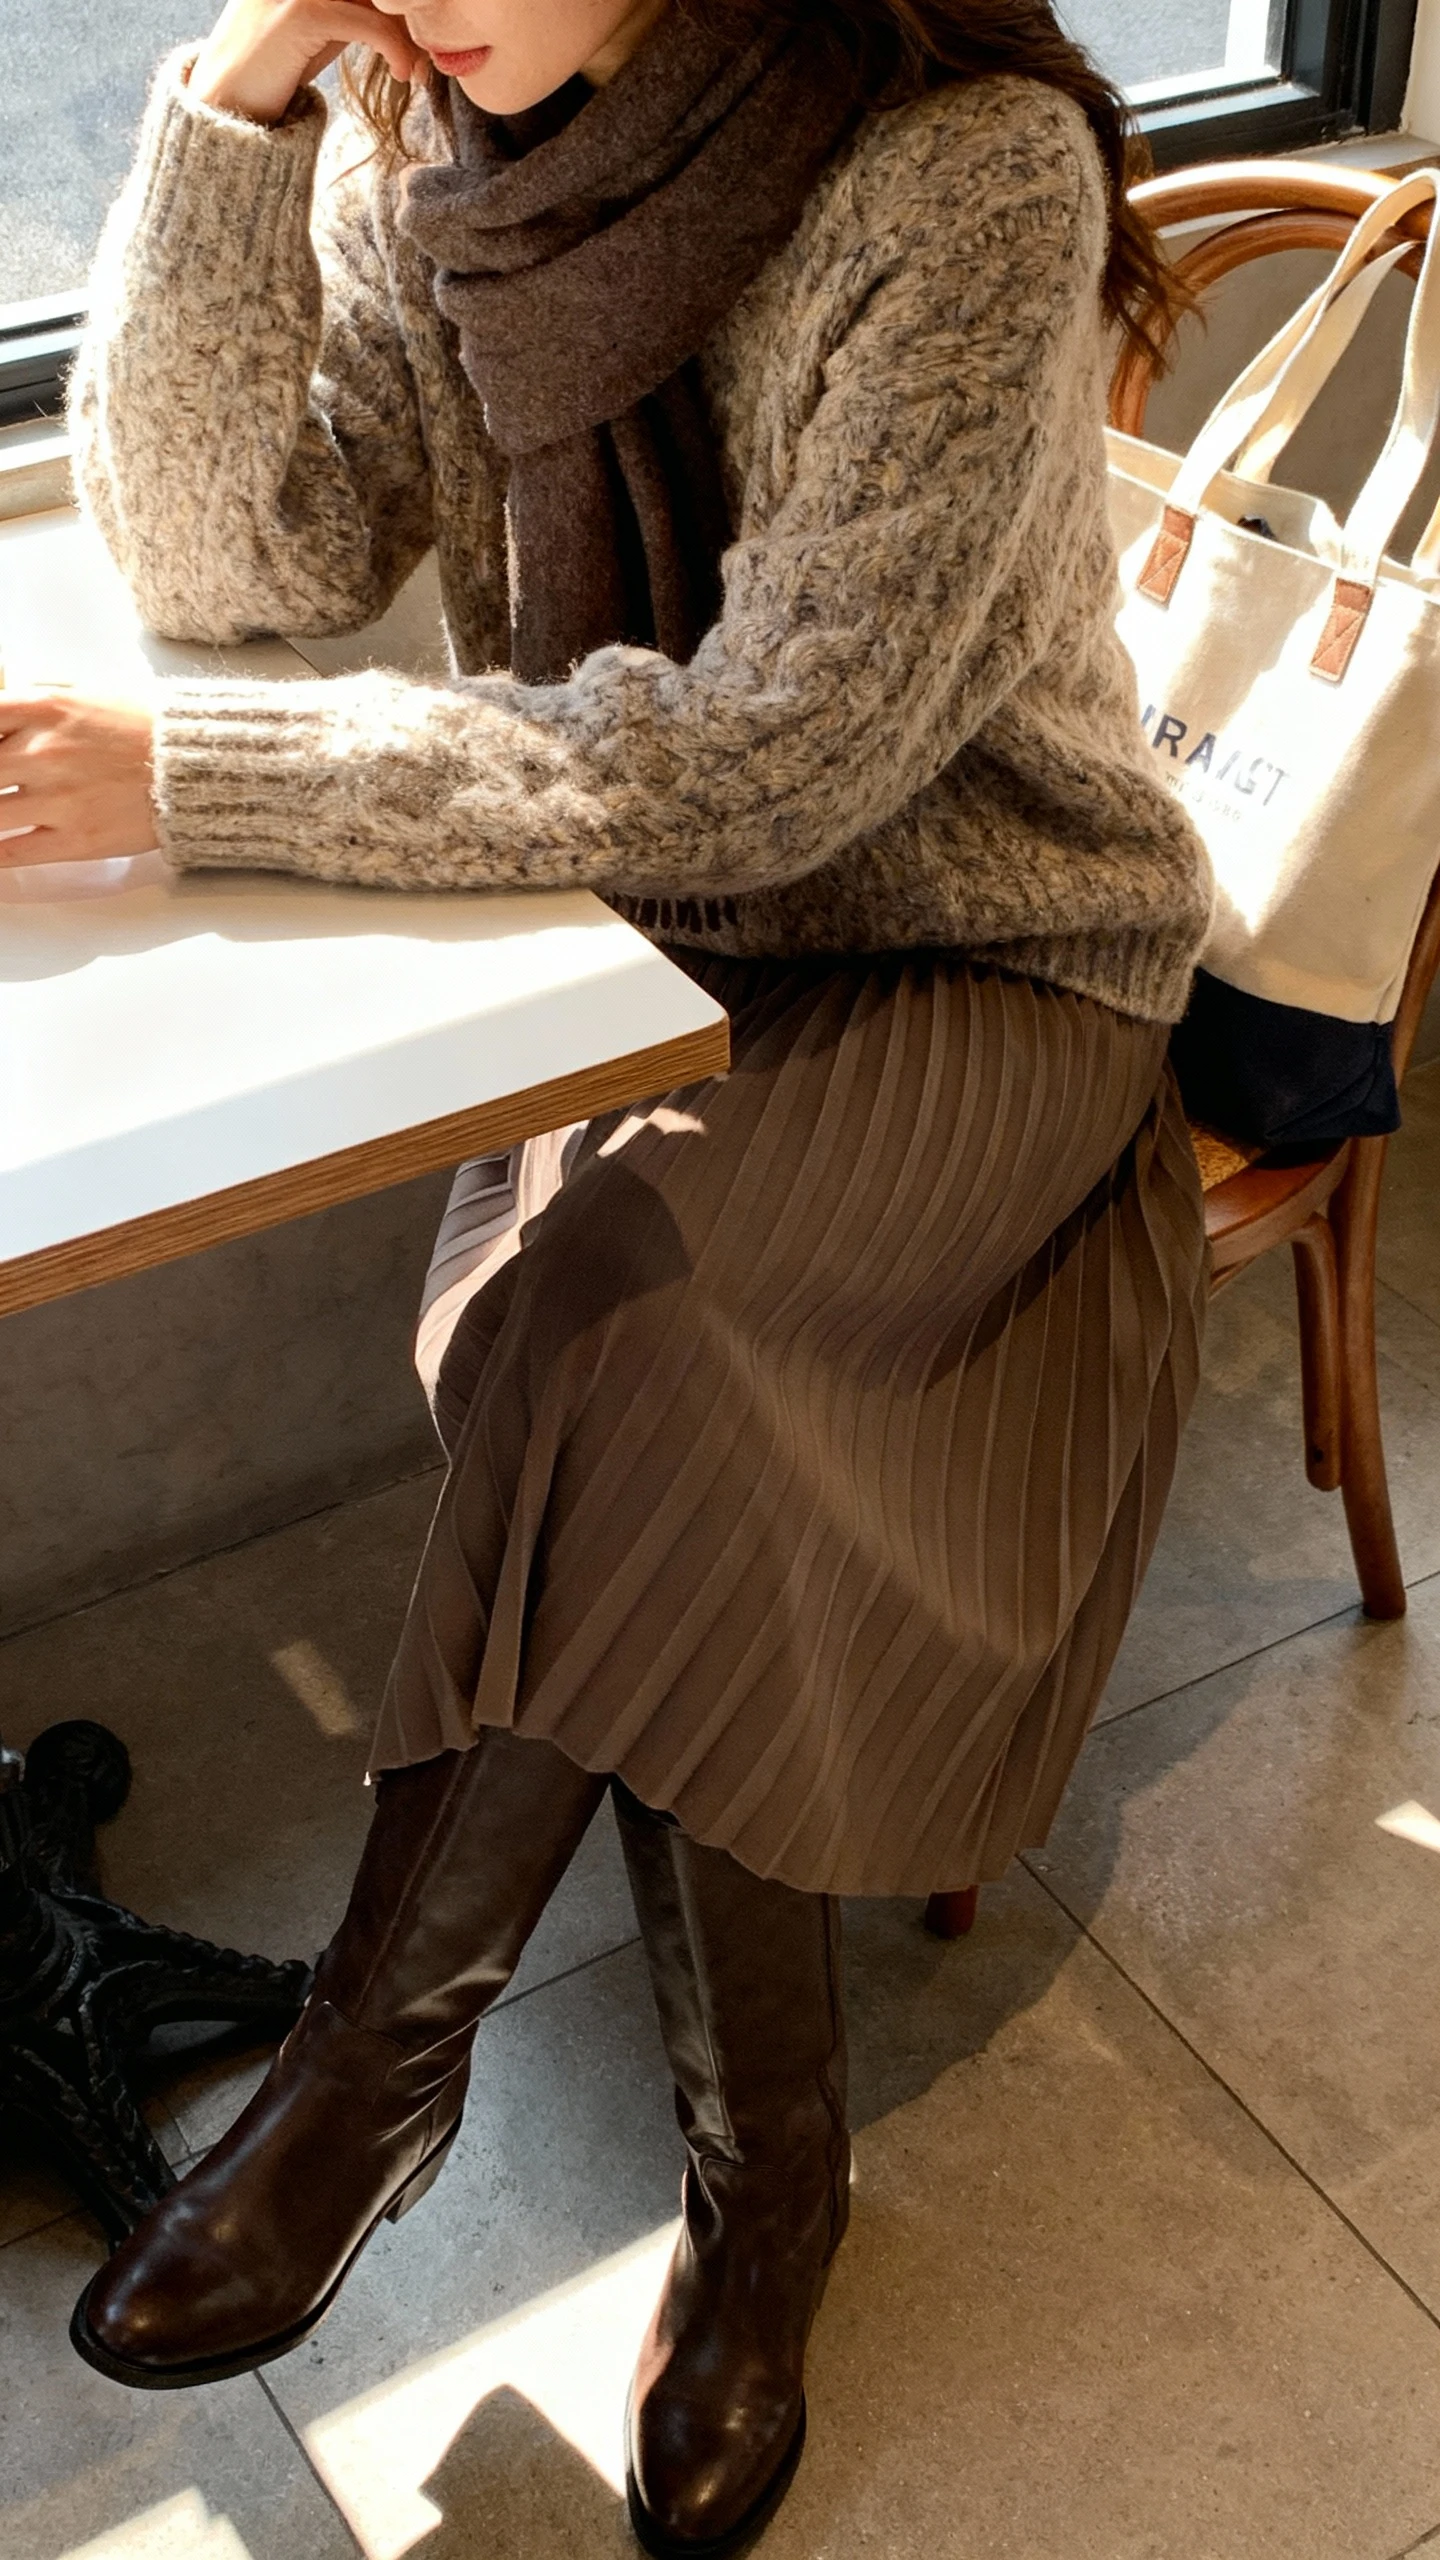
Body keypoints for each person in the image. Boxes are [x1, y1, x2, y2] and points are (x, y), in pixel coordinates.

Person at [1, 0, 1212, 2543]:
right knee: (629, 1346)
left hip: (974, 959)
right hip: (626, 939)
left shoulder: (953, 172)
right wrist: (231, 101)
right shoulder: (409, 127)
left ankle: (387, 2065)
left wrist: (229, 784)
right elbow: (230, 549)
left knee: (608, 1331)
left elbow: (791, 753)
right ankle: (765, 2172)